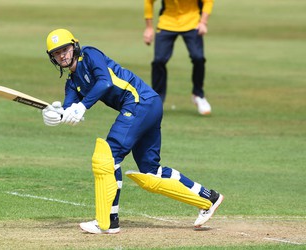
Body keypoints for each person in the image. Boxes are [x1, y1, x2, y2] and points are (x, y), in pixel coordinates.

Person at [42, 28, 223, 234]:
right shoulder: (72, 83)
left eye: (64, 49)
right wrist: (56, 115)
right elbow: (68, 110)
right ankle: (209, 197)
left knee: (108, 157)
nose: (62, 55)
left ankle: (109, 221)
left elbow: (104, 82)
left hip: (139, 101)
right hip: (147, 105)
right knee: (151, 172)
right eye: (56, 53)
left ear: (74, 46)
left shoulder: (91, 55)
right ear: (52, 58)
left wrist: (82, 107)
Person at [143, 0, 214, 115]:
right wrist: (149, 27)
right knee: (159, 61)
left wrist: (203, 22)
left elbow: (208, 1)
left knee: (198, 58)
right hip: (167, 22)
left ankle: (198, 95)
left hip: (192, 21)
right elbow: (149, 2)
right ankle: (157, 101)